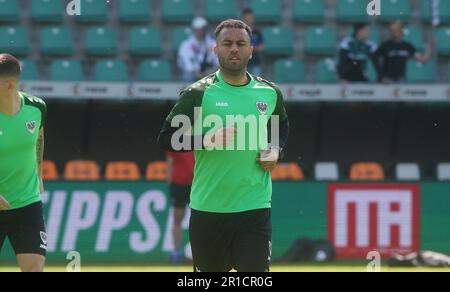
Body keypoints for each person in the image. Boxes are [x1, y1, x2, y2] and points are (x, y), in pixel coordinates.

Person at [158, 19, 290, 272]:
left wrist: (275, 150)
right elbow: (167, 138)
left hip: (255, 208)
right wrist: (207, 140)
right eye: (227, 43)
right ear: (215, 50)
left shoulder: (269, 93)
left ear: (251, 50)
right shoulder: (197, 94)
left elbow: (279, 126)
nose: (234, 49)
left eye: (241, 43)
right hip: (209, 210)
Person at [0, 53, 47, 272]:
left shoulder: (37, 108)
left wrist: (39, 173)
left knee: (33, 269)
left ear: (10, 85)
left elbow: (39, 137)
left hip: (27, 204)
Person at [166, 151, 195, 264]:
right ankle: (176, 251)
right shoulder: (177, 140)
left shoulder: (199, 139)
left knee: (199, 219)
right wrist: (170, 183)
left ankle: (196, 251)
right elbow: (170, 163)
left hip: (195, 183)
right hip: (179, 184)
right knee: (177, 219)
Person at [177, 17, 219, 82]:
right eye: (198, 29)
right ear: (194, 30)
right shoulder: (186, 45)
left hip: (209, 72)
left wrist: (212, 70)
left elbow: (217, 62)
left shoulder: (212, 44)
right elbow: (188, 65)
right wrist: (199, 74)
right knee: (188, 76)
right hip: (192, 74)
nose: (200, 32)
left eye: (202, 29)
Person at [241, 8, 265, 76]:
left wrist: (251, 48)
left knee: (255, 84)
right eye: (246, 17)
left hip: (255, 62)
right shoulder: (239, 32)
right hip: (242, 63)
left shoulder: (257, 32)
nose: (248, 19)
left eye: (250, 17)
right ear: (243, 18)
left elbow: (262, 47)